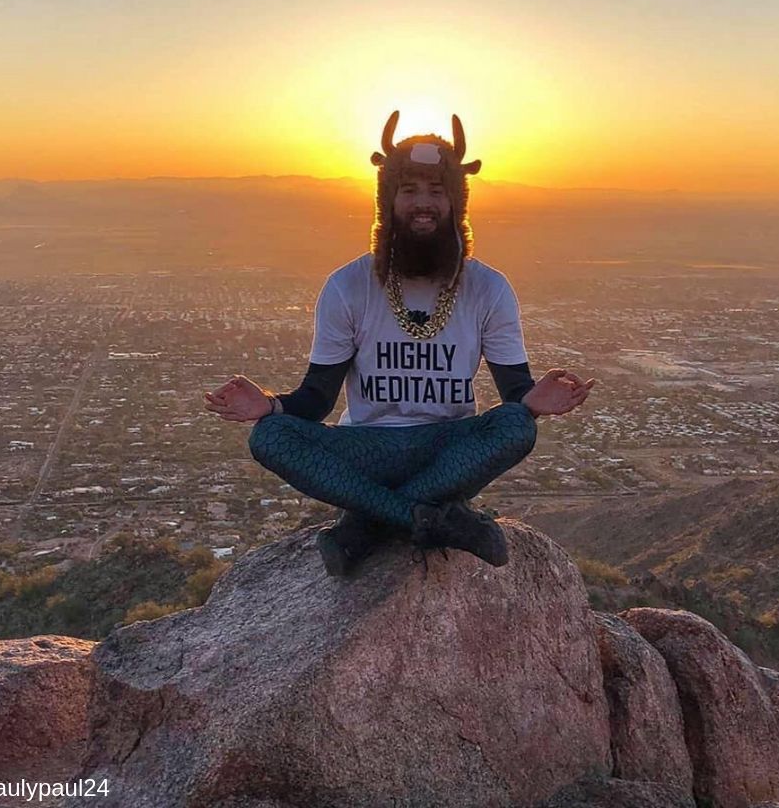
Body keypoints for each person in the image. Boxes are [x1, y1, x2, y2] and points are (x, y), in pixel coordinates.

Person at [205, 111, 595, 576]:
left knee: (517, 426)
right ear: (387, 202)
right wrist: (267, 405)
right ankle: (426, 518)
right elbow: (316, 399)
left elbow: (515, 393)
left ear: (457, 202)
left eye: (436, 191)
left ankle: (366, 526)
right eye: (408, 191)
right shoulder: (349, 286)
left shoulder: (488, 288)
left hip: (447, 449)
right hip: (365, 448)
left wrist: (537, 401)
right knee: (270, 437)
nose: (422, 204)